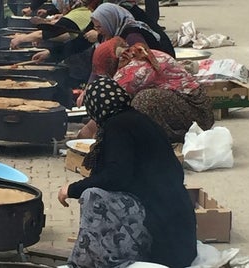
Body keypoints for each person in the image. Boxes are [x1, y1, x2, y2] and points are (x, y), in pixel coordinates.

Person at [58, 76, 198, 268]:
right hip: (180, 233)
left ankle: (95, 260)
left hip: (164, 240)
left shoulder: (118, 127)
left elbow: (116, 176)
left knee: (93, 196)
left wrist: (72, 189)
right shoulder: (139, 120)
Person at [77, 36, 214, 142]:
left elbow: (109, 106)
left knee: (142, 101)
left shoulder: (131, 72)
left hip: (197, 112)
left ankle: (168, 138)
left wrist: (86, 134)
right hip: (187, 105)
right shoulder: (137, 54)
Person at [90, 3, 175, 58]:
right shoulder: (115, 32)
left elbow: (141, 67)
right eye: (96, 28)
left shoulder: (132, 36)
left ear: (110, 23)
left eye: (99, 27)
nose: (98, 31)